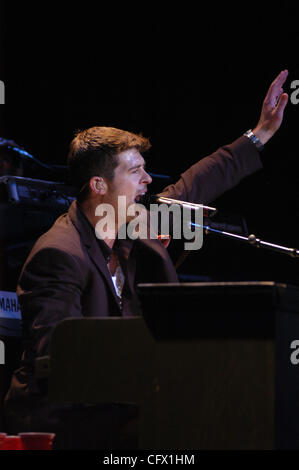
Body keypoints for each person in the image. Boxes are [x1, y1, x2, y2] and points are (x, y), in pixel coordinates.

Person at [4, 70, 289, 449]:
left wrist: (261, 133)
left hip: (120, 402)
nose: (148, 180)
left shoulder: (133, 226)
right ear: (99, 185)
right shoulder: (59, 253)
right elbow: (58, 359)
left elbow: (193, 186)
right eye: (135, 170)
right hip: (65, 417)